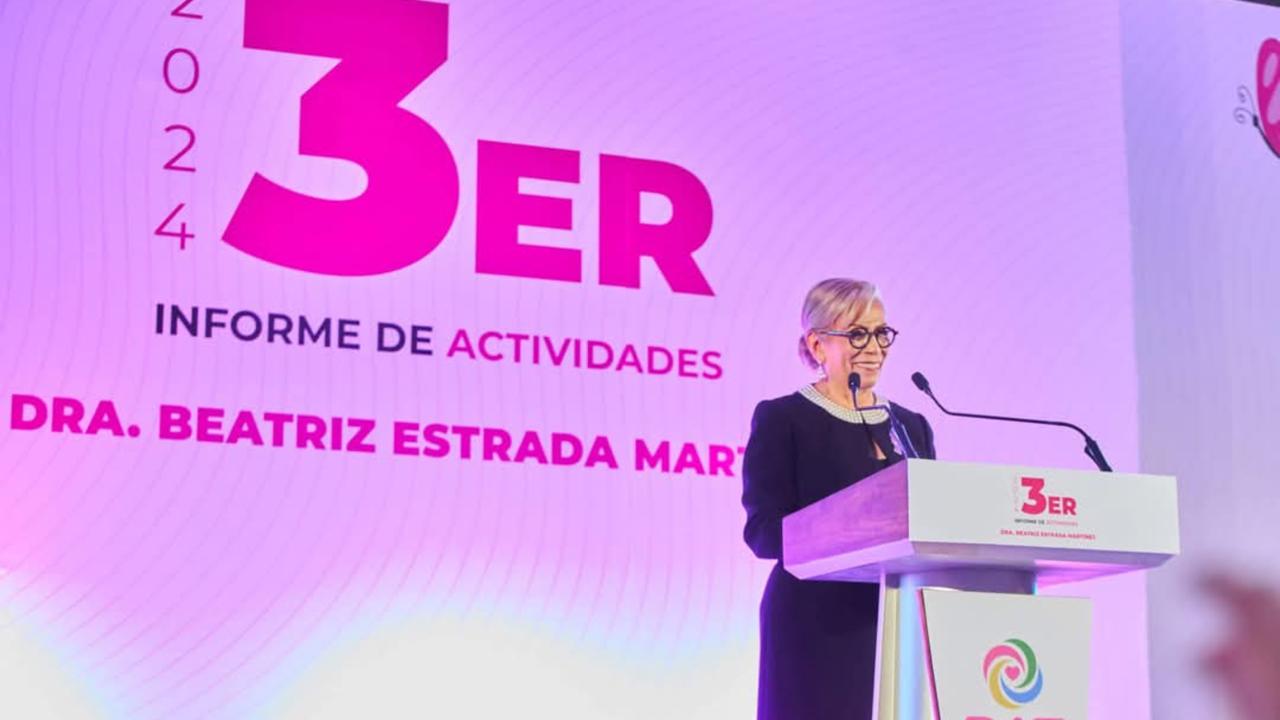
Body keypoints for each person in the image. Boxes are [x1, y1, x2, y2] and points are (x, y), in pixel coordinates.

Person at [741, 278, 936, 719]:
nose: (874, 348)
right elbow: (762, 532)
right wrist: (842, 530)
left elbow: (931, 520)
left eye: (881, 333)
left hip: (896, 617)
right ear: (817, 344)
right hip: (815, 623)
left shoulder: (913, 425)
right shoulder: (784, 418)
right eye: (857, 334)